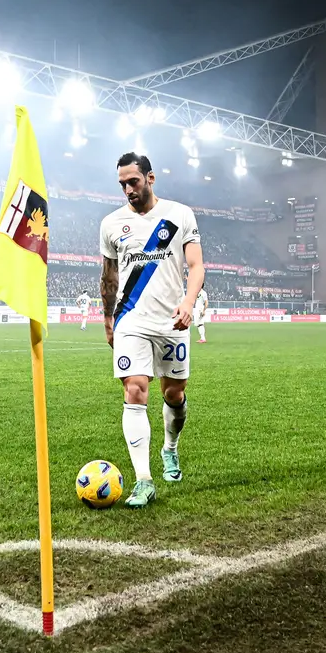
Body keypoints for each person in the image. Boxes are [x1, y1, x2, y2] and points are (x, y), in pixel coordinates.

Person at [99, 152, 204, 509]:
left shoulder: (179, 215)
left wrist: (188, 303)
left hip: (173, 320)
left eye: (134, 181)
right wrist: (109, 319)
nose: (128, 189)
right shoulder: (111, 224)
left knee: (173, 394)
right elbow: (109, 278)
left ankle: (170, 448)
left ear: (150, 178)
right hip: (132, 320)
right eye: (122, 184)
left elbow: (196, 265)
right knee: (135, 390)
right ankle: (144, 481)